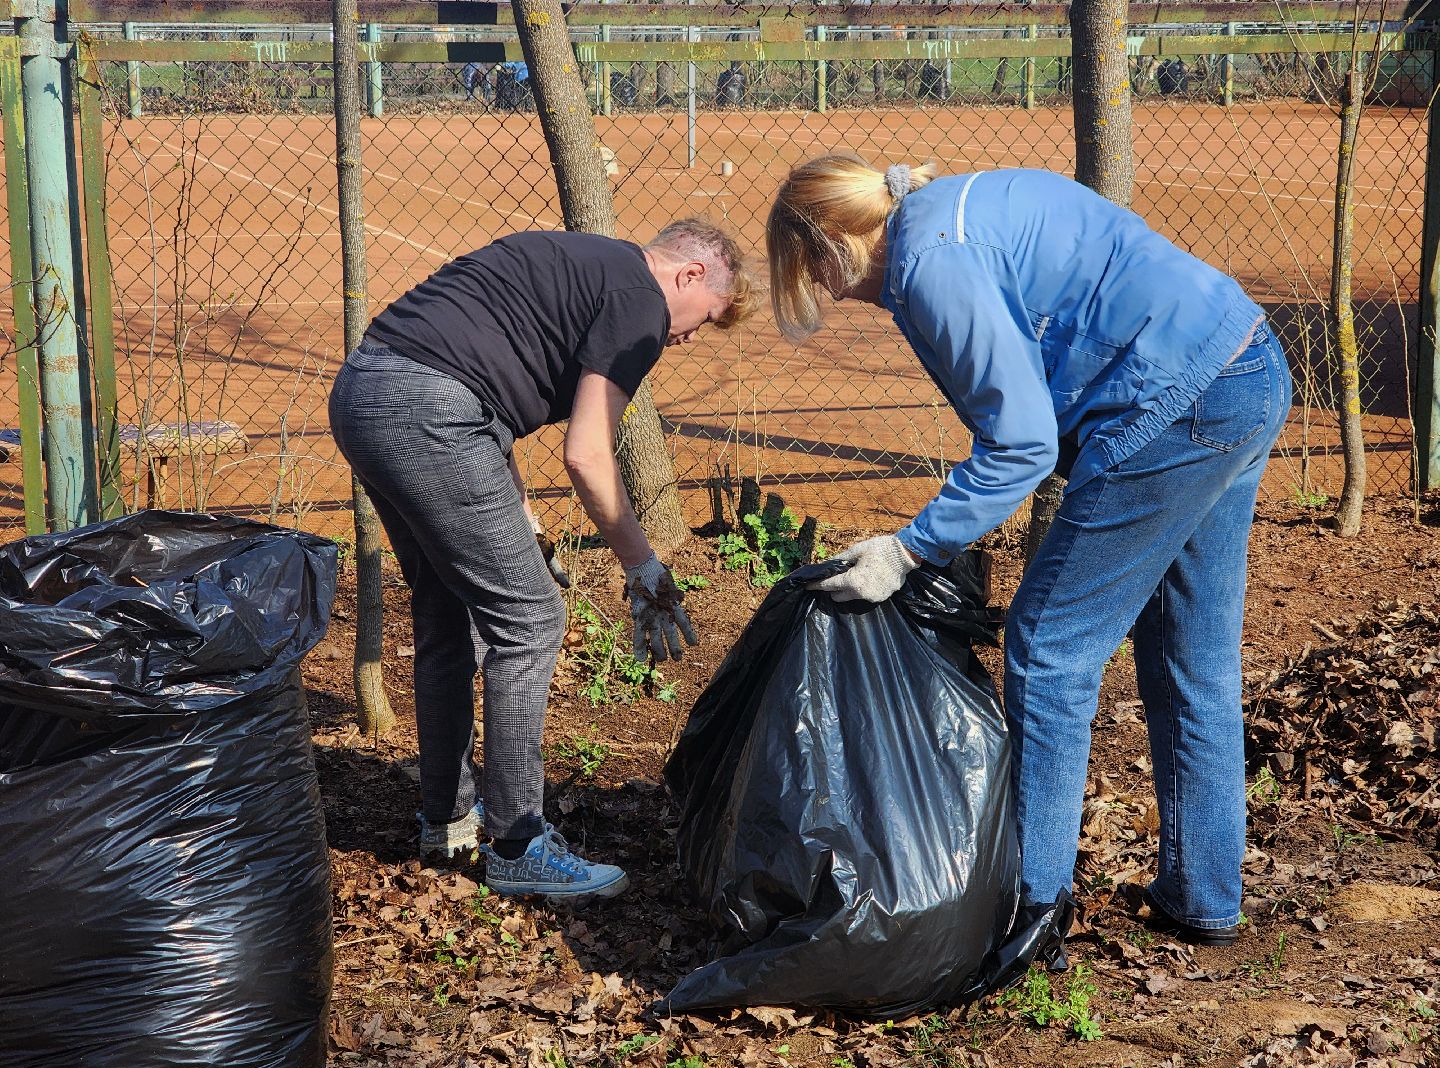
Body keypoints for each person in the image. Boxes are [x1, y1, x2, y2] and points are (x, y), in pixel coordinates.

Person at [766, 156, 1291, 946]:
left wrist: (908, 552)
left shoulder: (931, 263)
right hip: (1244, 366)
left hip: (1171, 406)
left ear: (833, 243)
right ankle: (1203, 895)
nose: (827, 293)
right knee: (1193, 658)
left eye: (813, 271)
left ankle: (1032, 910)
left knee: (1048, 649)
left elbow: (1021, 445)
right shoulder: (944, 213)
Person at [329, 221, 755, 899]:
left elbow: (483, 398)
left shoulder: (584, 262)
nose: (690, 338)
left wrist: (523, 524)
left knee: (447, 612)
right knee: (531, 620)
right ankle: (518, 843)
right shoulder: (641, 302)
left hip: (366, 392)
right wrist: (643, 567)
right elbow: (586, 454)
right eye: (705, 318)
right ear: (691, 275)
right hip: (431, 413)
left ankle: (447, 821)